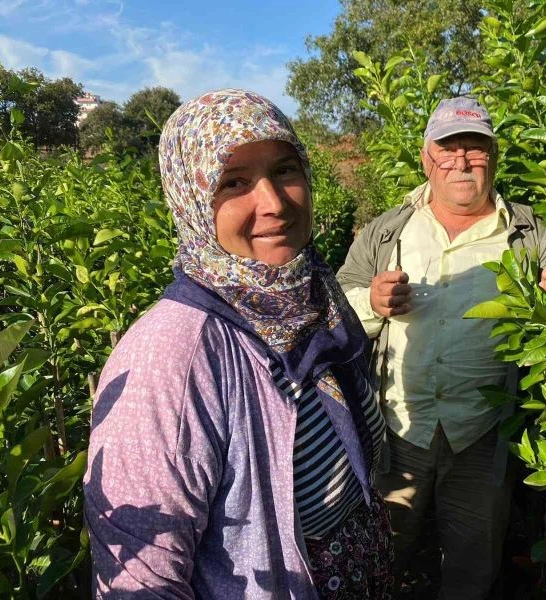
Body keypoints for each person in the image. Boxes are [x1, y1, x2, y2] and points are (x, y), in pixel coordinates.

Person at [83, 89, 392, 599]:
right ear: (192, 200)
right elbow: (139, 576)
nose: (273, 203)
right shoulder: (171, 357)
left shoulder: (309, 291)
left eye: (286, 170)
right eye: (235, 182)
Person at [337, 96, 546, 599]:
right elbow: (335, 307)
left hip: (483, 432)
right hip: (398, 428)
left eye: (475, 149)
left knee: (472, 567)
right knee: (382, 552)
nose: (462, 162)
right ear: (427, 159)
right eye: (449, 150)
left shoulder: (528, 234)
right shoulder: (389, 230)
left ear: (493, 156)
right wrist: (372, 301)